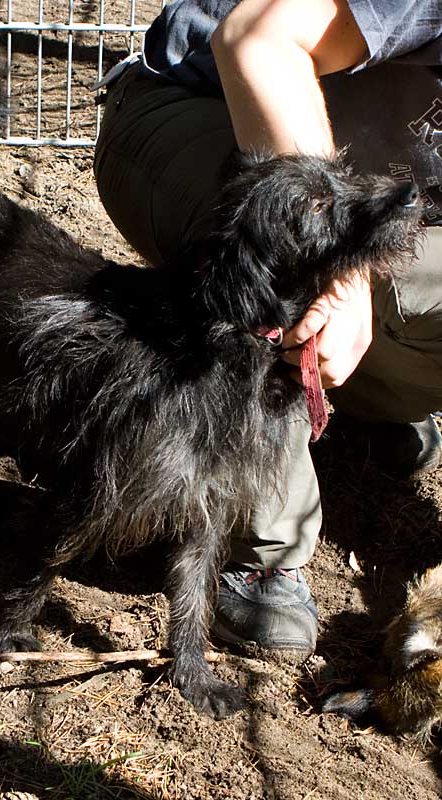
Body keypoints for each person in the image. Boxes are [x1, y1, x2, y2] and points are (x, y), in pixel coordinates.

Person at [93, 0, 442, 661]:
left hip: (372, 164)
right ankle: (259, 544)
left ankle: (365, 397)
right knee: (288, 240)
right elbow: (257, 43)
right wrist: (341, 271)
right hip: (205, 109)